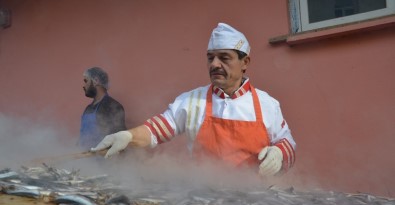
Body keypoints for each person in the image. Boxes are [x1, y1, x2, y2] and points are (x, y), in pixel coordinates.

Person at [91, 23, 296, 177]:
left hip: (256, 199)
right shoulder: (192, 101)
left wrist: (279, 153)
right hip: (203, 197)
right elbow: (156, 130)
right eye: (210, 57)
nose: (214, 64)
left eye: (224, 57)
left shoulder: (267, 104)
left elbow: (288, 143)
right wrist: (127, 136)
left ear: (245, 62)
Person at [79, 67, 127, 150]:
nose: (84, 86)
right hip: (85, 160)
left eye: (86, 81)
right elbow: (82, 137)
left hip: (104, 161)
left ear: (96, 81)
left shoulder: (113, 106)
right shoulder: (88, 109)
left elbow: (120, 141)